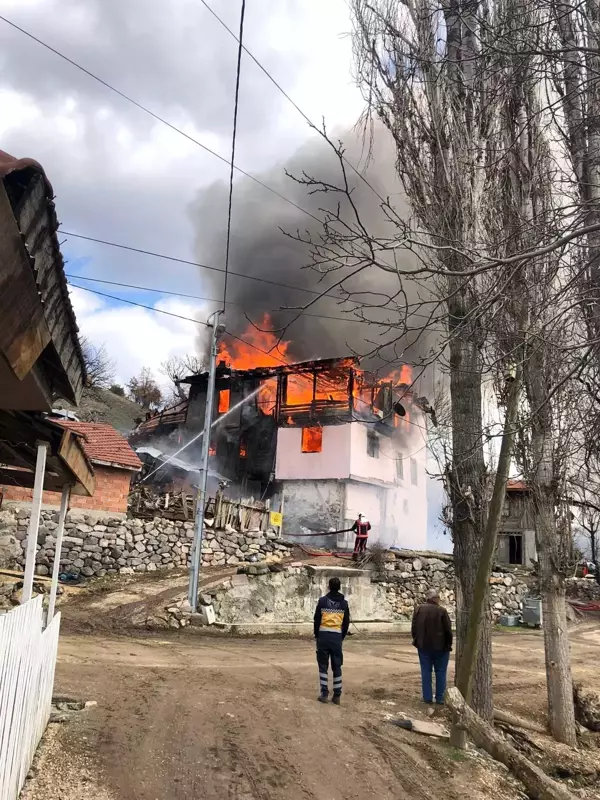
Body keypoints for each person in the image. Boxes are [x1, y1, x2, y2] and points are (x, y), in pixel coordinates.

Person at [411, 588, 453, 705]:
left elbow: (414, 628)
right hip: (440, 647)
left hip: (423, 646)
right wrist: (448, 644)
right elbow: (448, 630)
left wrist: (416, 641)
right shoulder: (442, 611)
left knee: (426, 671)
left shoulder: (418, 610)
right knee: (440, 672)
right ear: (435, 599)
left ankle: (427, 697)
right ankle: (440, 698)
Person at [313, 576, 350, 705]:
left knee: (323, 666)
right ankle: (337, 695)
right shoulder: (344, 604)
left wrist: (317, 636)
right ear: (340, 587)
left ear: (328, 586)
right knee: (337, 665)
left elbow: (316, 620)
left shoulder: (322, 602)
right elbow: (346, 624)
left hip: (323, 636)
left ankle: (324, 694)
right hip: (336, 638)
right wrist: (341, 636)